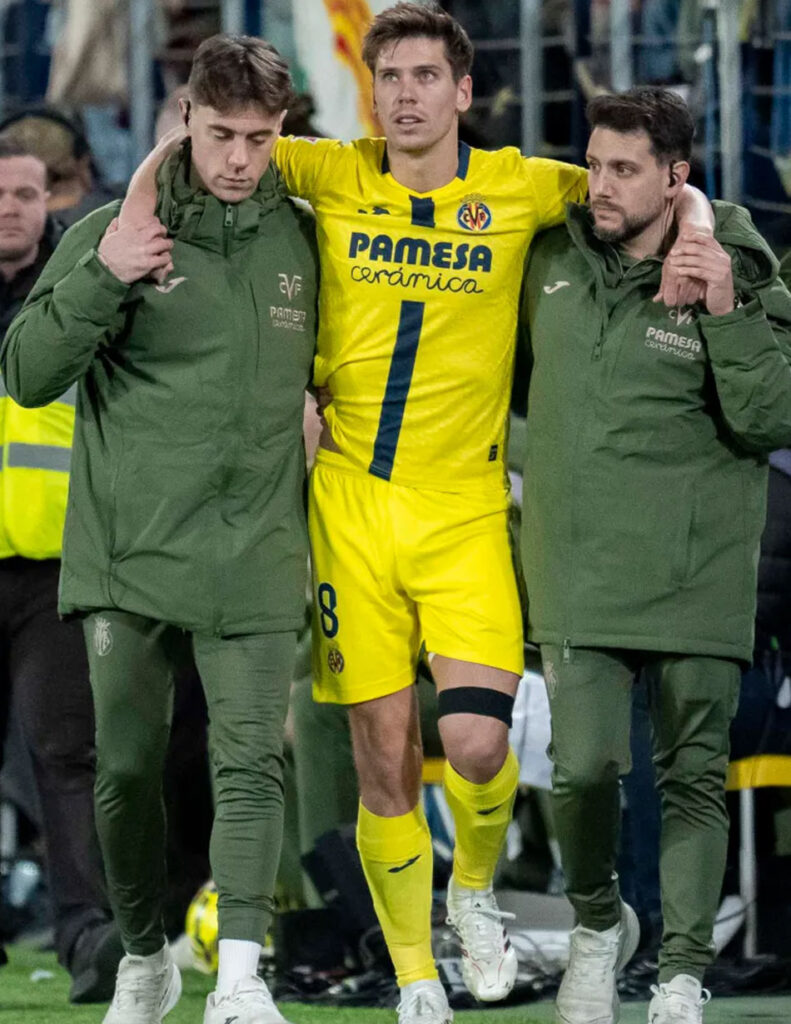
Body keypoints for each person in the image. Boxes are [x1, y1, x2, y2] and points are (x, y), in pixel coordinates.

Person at [122, 8, 714, 1023]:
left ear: (462, 90)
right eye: (388, 76)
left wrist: (696, 232)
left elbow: (657, 185)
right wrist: (134, 211)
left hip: (463, 510)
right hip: (349, 507)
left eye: (425, 76)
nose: (404, 95)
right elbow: (196, 138)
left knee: (478, 744)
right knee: (381, 752)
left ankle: (471, 890)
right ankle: (414, 978)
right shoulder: (329, 169)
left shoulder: (520, 185)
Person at [2, 34, 318, 1024]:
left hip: (255, 551)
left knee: (249, 764)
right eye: (221, 134)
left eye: (259, 138)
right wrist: (106, 272)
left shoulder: (306, 236)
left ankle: (241, 978)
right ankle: (143, 953)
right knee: (126, 773)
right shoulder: (113, 226)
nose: (239, 159)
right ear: (185, 119)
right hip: (127, 553)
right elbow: (27, 373)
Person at [518, 86, 791, 1024]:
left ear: (676, 177)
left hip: (697, 567)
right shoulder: (547, 256)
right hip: (576, 566)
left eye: (624, 169)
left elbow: (772, 417)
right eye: (593, 164)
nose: (599, 184)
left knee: (692, 777)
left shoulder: (742, 263)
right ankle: (600, 927)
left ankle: (679, 977)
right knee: (582, 769)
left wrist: (723, 305)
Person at [0, 137, 123, 1002]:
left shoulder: (82, 282)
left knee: (66, 752)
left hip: (56, 566)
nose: (9, 207)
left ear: (51, 199)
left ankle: (90, 938)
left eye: (24, 192)